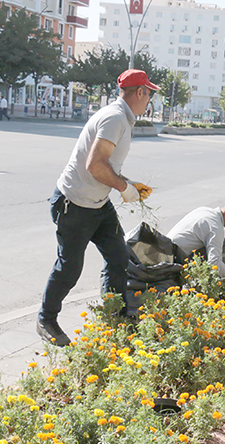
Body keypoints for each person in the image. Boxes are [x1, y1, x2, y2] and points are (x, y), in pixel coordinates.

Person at [37, 69, 159, 347]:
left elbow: (108, 166)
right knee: (69, 268)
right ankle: (46, 319)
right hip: (74, 205)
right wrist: (123, 188)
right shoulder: (115, 118)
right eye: (148, 93)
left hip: (98, 205)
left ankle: (112, 317)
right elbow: (95, 165)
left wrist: (130, 184)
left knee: (118, 258)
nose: (149, 99)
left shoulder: (121, 117)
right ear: (139, 92)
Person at [167, 198, 225, 294]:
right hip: (173, 258)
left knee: (223, 244)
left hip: (166, 248)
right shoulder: (215, 226)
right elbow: (214, 263)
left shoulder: (205, 211)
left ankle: (220, 280)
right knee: (215, 260)